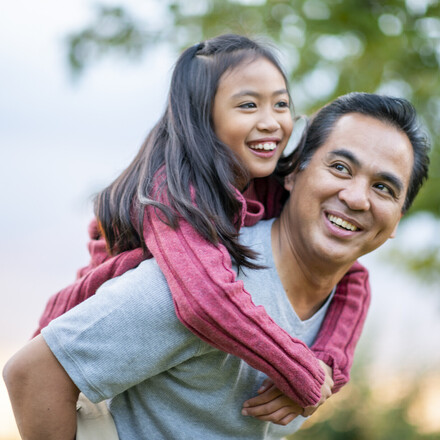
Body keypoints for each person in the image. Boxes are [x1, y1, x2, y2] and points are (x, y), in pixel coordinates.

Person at [4, 92, 430, 439]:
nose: (357, 198)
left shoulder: (342, 302)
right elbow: (31, 373)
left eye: (383, 188)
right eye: (339, 167)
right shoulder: (203, 278)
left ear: (396, 222)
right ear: (293, 173)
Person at [31, 34, 370, 407]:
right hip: (80, 377)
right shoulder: (169, 192)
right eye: (248, 106)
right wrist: (296, 368)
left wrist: (327, 364)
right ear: (202, 117)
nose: (271, 122)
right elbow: (206, 298)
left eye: (281, 104)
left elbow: (352, 276)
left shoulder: (265, 183)